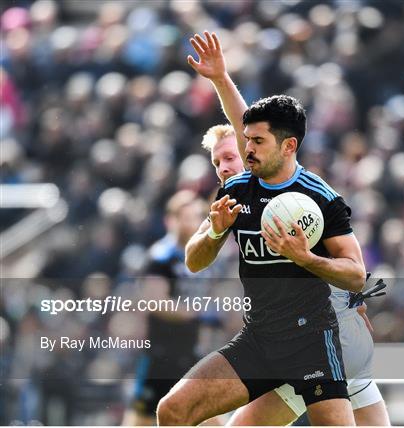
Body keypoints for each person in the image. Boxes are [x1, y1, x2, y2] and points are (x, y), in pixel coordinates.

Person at [156, 36, 373, 427]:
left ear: (288, 146)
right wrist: (215, 232)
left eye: (257, 141)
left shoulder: (319, 198)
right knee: (172, 410)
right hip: (259, 340)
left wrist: (305, 258)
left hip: (312, 342)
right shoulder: (237, 191)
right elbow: (193, 259)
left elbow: (356, 273)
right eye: (247, 140)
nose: (247, 149)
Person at [199, 88, 390, 425]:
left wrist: (220, 78)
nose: (225, 167)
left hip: (324, 341)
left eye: (230, 158)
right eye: (217, 162)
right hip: (315, 340)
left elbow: (350, 270)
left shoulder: (299, 193)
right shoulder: (248, 191)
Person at [123, 190, 209, 426]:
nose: (193, 223)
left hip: (189, 352)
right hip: (163, 354)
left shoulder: (200, 255)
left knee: (208, 416)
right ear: (171, 220)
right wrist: (194, 312)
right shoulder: (161, 257)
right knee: (142, 419)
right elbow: (154, 300)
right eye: (187, 217)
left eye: (197, 216)